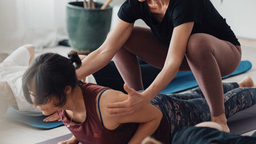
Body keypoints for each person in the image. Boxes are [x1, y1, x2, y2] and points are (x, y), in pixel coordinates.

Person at [75, 0, 242, 132]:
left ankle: (219, 119)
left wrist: (148, 95)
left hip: (223, 55)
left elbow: (173, 63)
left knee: (196, 43)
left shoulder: (185, 2)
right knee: (118, 37)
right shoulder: (136, 4)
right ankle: (140, 106)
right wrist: (68, 75)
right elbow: (105, 50)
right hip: (180, 52)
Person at [22, 52, 256, 144]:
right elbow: (84, 126)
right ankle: (239, 83)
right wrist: (75, 140)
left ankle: (247, 90)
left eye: (40, 96)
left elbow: (153, 117)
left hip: (167, 118)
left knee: (221, 105)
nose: (36, 103)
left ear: (65, 89)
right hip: (145, 106)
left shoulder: (106, 103)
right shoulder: (63, 106)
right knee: (196, 95)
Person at [0, 44, 160, 121]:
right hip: (85, 66)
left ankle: (175, 50)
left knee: (156, 68)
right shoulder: (3, 70)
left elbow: (64, 96)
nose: (37, 103)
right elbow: (29, 48)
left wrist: (59, 108)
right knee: (142, 57)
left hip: (95, 78)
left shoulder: (27, 99)